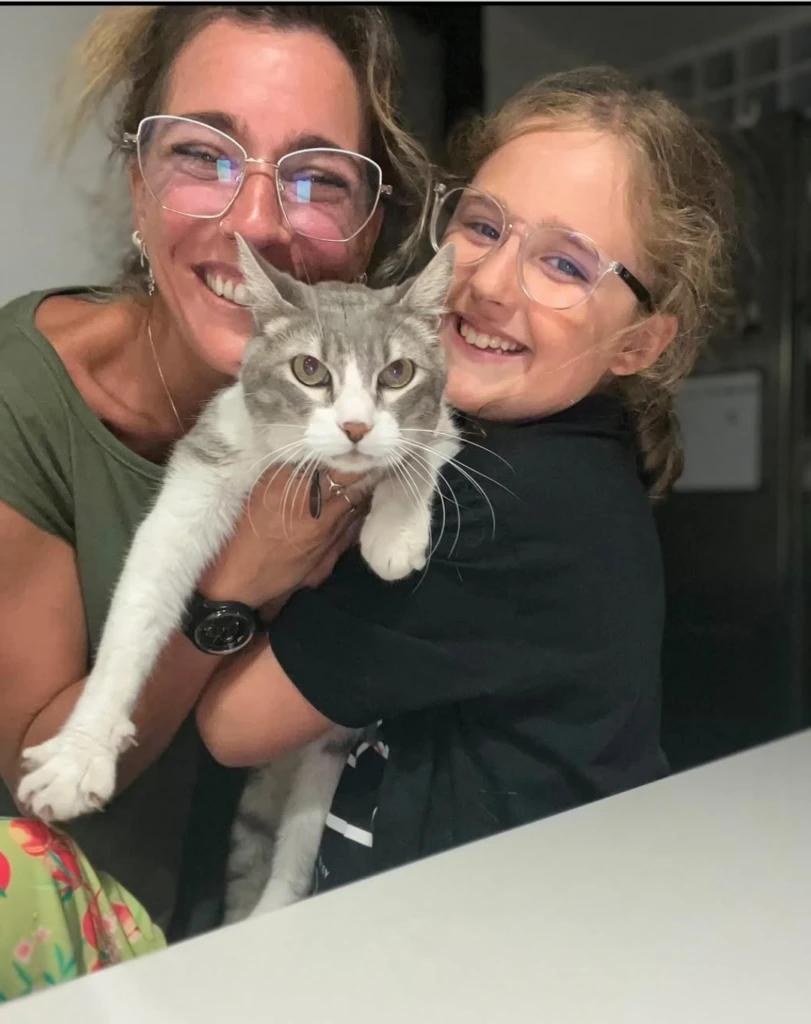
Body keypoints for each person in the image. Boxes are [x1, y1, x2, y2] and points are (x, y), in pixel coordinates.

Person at [196, 68, 736, 893]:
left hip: (497, 938)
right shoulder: (563, 453)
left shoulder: (506, 496)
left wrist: (234, 583)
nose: (486, 283)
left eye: (564, 264)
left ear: (637, 344)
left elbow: (233, 724)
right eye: (482, 225)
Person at [0, 2, 433, 943]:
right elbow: (43, 780)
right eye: (204, 156)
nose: (257, 222)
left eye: (316, 177)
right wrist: (238, 582)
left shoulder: (379, 391)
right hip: (81, 945)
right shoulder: (18, 398)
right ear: (138, 186)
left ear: (366, 229)